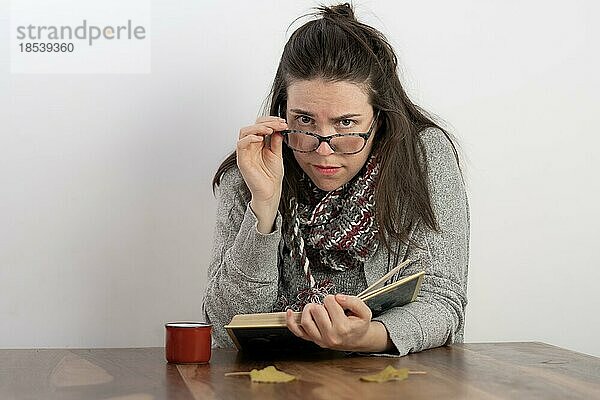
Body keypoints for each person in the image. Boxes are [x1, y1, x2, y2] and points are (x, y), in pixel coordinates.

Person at [203, 3, 469, 355]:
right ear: (283, 112)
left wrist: (365, 336)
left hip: (390, 381)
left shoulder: (422, 156)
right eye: (305, 121)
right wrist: (263, 211)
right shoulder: (251, 170)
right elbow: (224, 329)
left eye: (346, 123)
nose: (324, 151)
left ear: (380, 115)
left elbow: (443, 301)